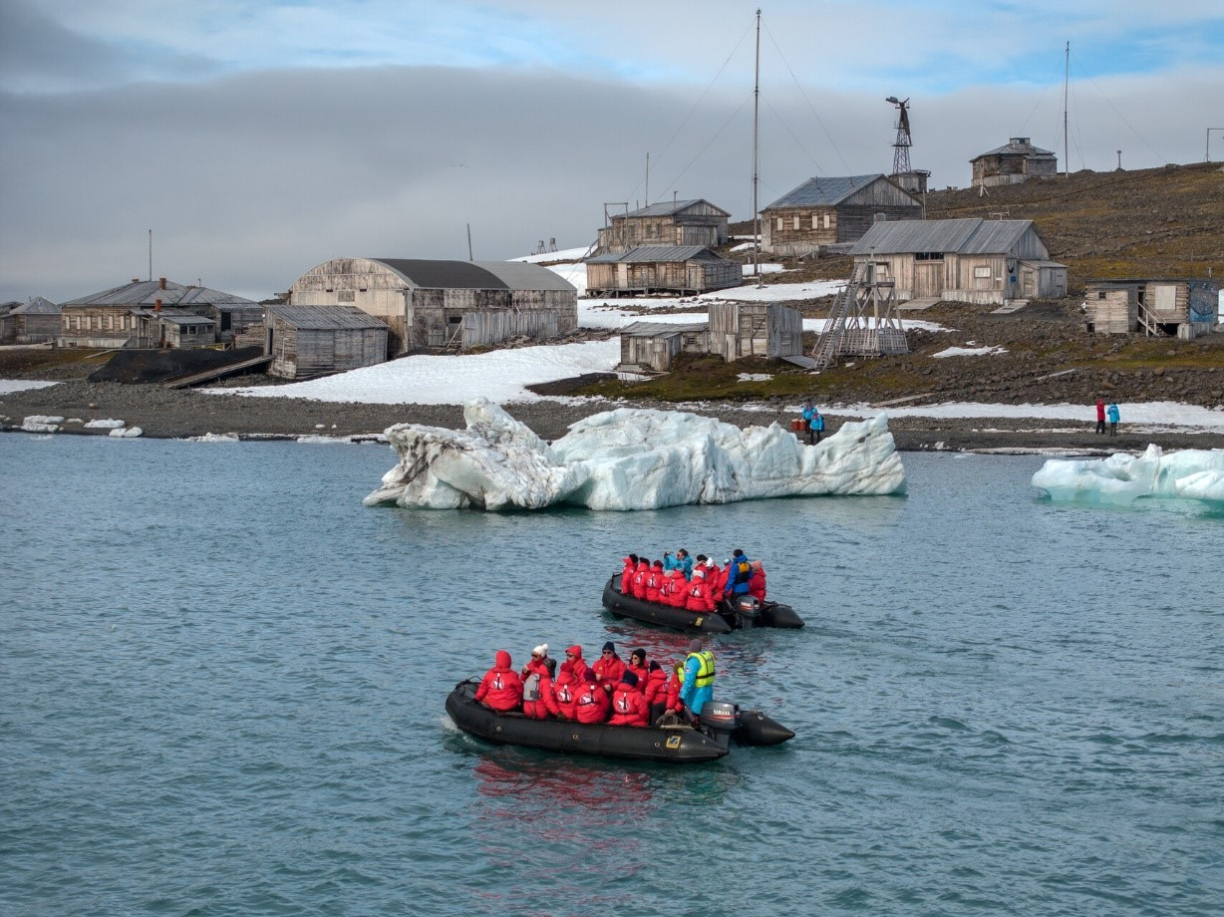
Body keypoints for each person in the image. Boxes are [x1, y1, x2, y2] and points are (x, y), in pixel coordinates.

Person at [679, 639, 716, 721]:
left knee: (691, 718)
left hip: (696, 696)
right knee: (703, 717)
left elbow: (688, 681)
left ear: (690, 648)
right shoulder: (705, 657)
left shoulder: (693, 661)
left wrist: (682, 696)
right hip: (708, 693)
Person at [521, 644, 560, 720]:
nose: (533, 657)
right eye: (532, 655)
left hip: (528, 707)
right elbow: (548, 699)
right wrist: (524, 673)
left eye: (535, 656)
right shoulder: (545, 677)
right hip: (539, 710)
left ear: (541, 656)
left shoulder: (543, 666)